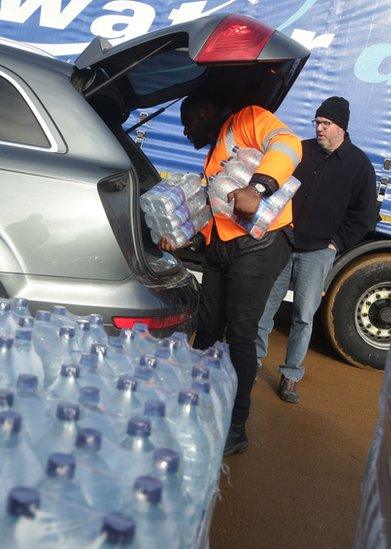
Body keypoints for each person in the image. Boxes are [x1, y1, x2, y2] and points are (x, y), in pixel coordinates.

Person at [160, 91, 301, 455]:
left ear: (205, 109)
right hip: (224, 247)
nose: (187, 134)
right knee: (207, 330)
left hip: (259, 244)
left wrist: (258, 187)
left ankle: (234, 426)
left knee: (240, 334)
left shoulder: (248, 118)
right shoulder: (215, 152)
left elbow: (288, 145)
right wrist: (184, 238)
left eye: (188, 123)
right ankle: (199, 408)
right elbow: (218, 211)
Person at [255, 96, 377, 404]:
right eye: (317, 122)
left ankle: (291, 376)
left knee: (304, 316)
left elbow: (364, 216)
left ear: (341, 128)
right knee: (265, 307)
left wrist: (336, 242)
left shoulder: (358, 166)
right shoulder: (302, 151)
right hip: (283, 243)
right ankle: (250, 363)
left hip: (319, 252)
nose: (319, 128)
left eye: (326, 123)